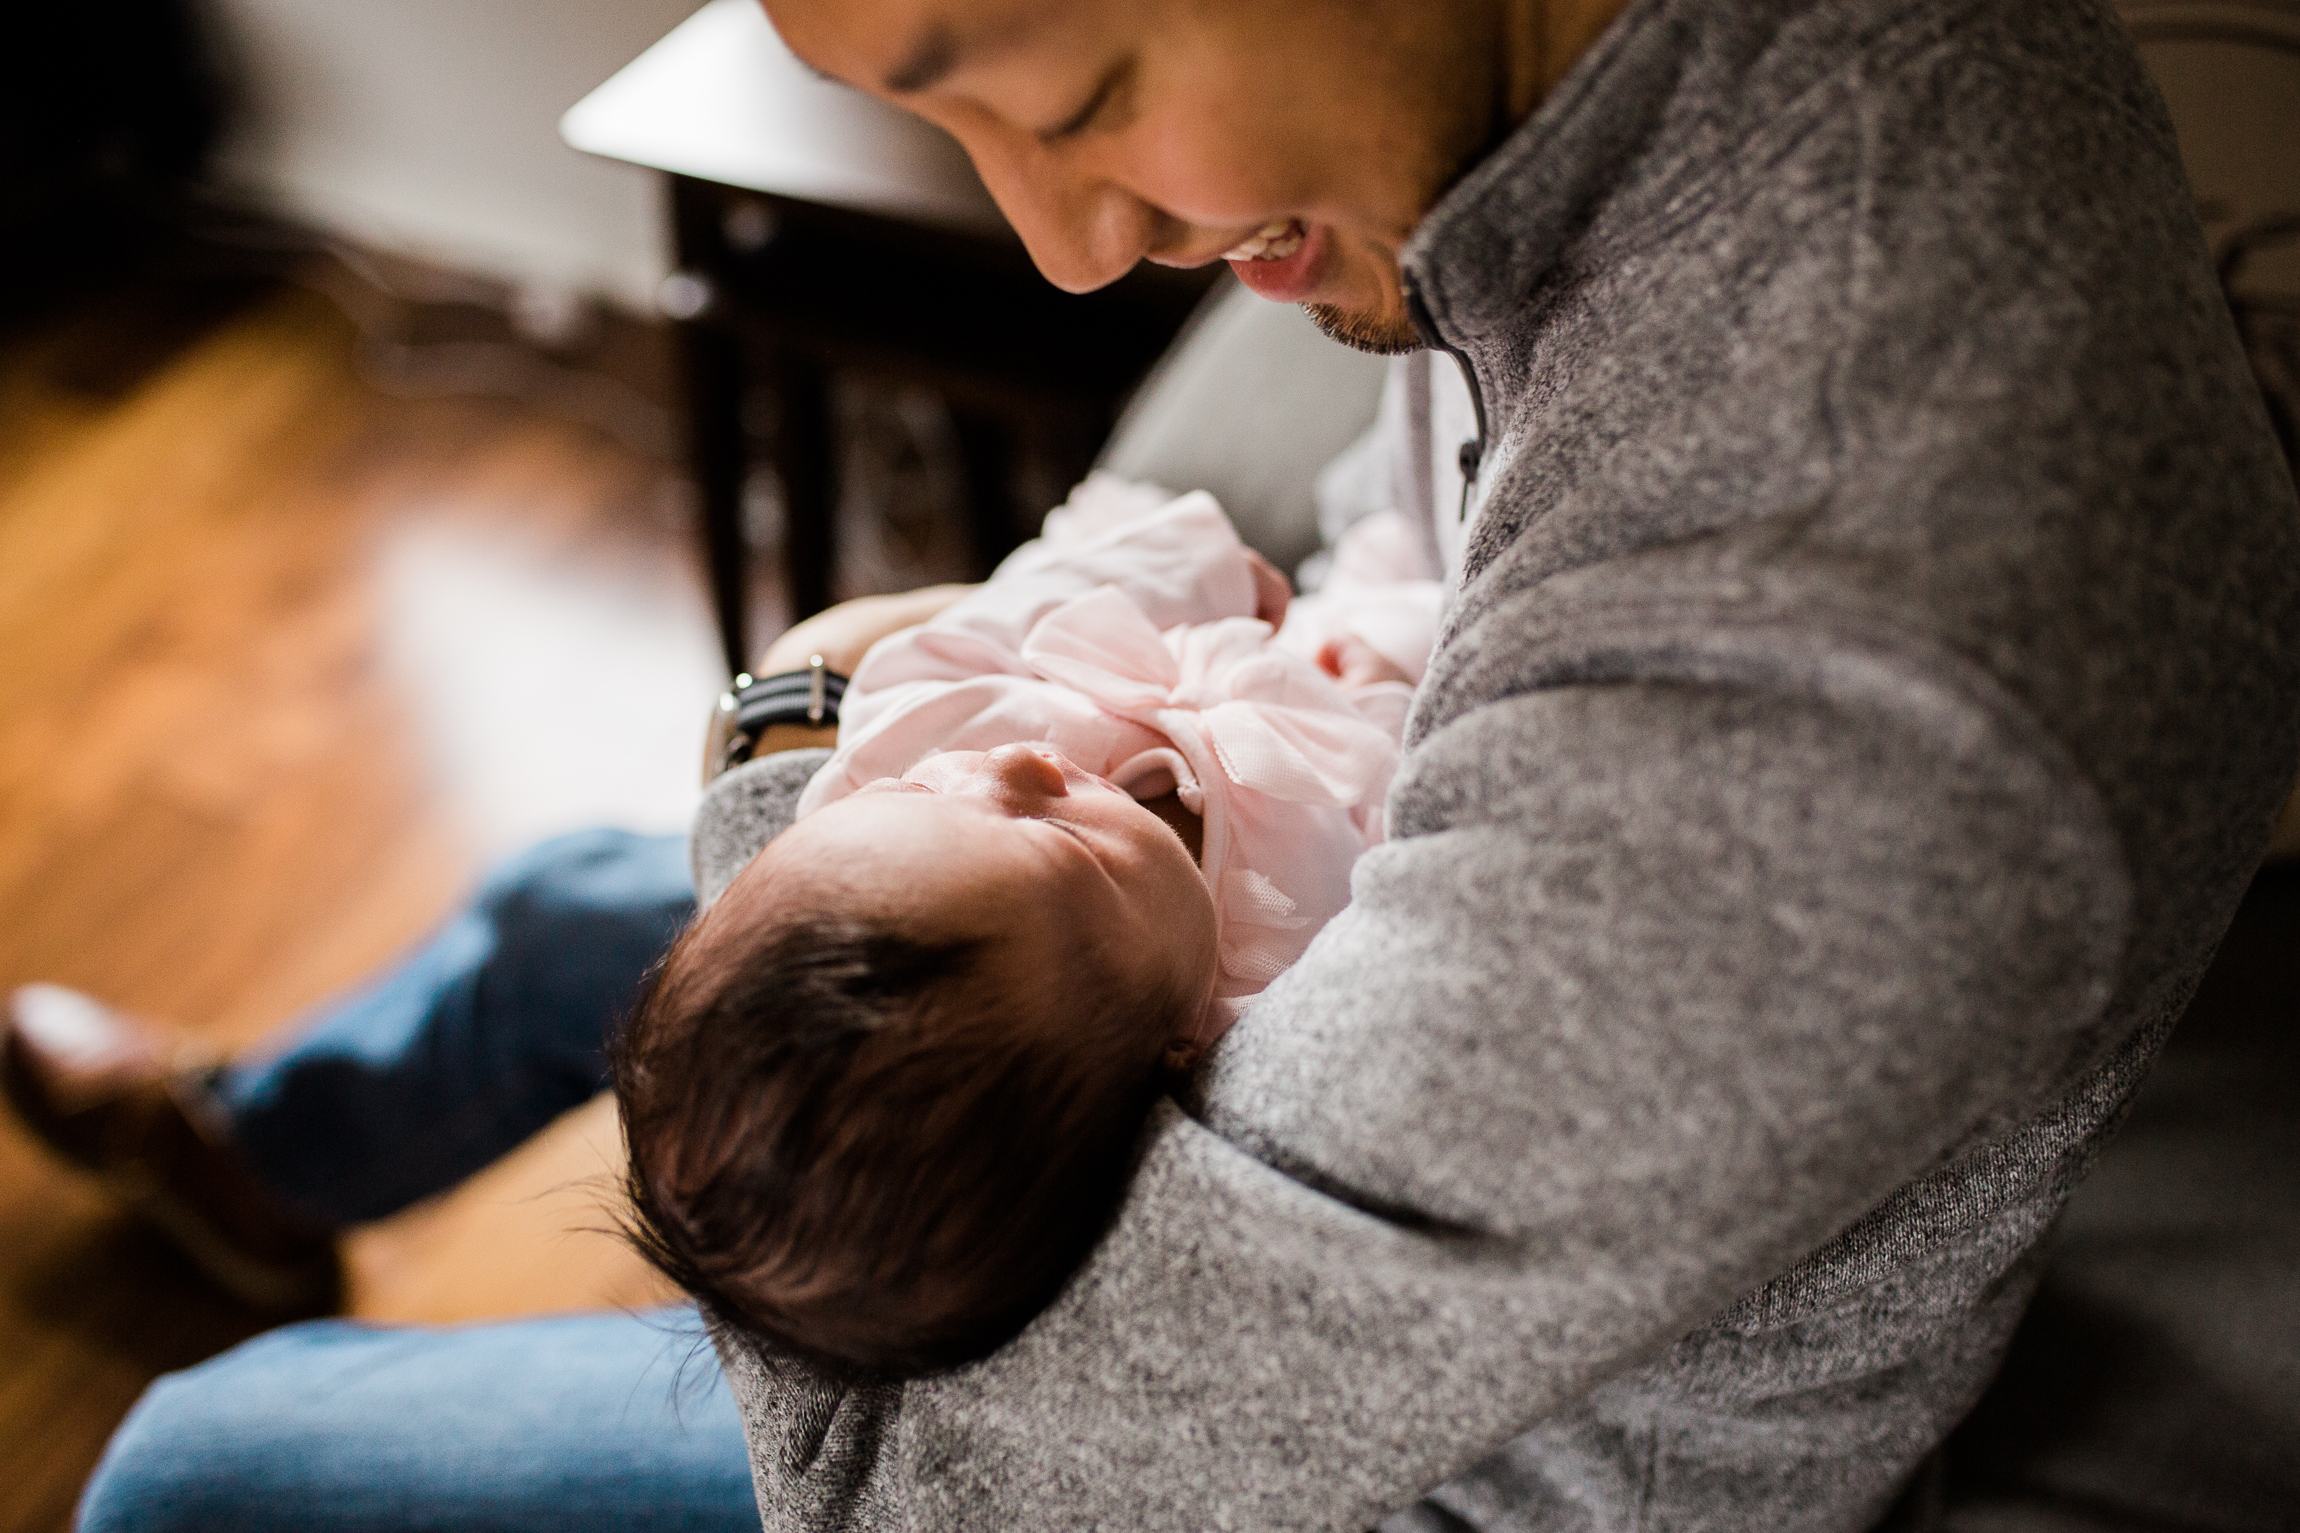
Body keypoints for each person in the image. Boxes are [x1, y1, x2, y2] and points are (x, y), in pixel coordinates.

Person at [11, 0, 2298, 1525]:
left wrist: (800, 724)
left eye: (1075, 86)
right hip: (1281, 1022)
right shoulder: (1654, 106)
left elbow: (936, 1431)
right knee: (569, 923)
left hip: (1428, 1452)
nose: (1063, 242)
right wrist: (830, 785)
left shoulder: (1814, 686)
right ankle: (263, 1153)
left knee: (198, 1473)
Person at [616, 481, 1433, 1377]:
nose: (1017, 765)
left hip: (1259, 599)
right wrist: (1384, 691)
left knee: (1388, 519)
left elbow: (1008, 616)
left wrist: (1190, 572)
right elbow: (1406, 830)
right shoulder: (1276, 981)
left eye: (920, 788)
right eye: (1057, 840)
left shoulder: (912, 738)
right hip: (1391, 667)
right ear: (1160, 1052)